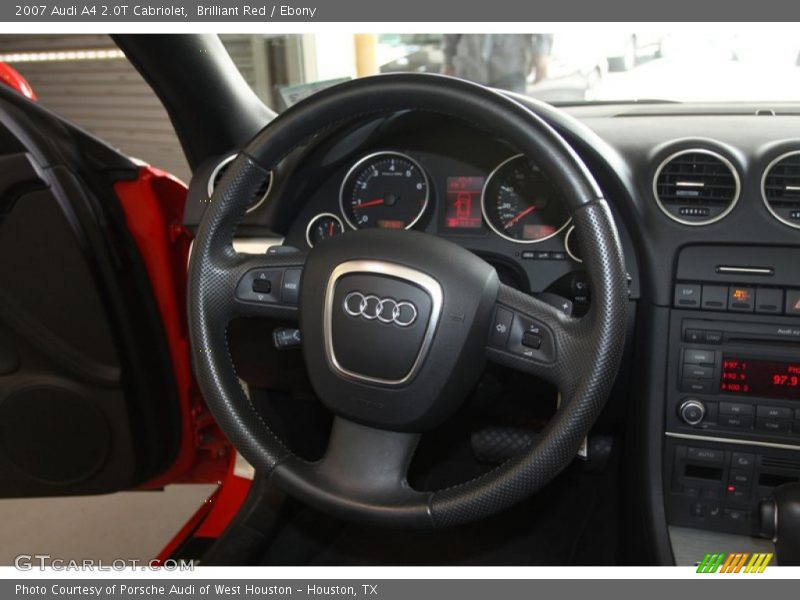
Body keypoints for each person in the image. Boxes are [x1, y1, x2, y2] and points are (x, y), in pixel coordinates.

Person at [442, 34, 553, 93]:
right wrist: (448, 63)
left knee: (512, 118)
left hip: (510, 67)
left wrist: (540, 54)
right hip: (469, 68)